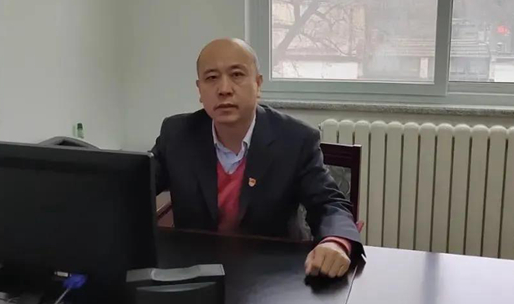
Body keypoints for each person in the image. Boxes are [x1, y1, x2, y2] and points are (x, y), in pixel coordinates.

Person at [152, 38, 363, 278]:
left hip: (273, 276)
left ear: (258, 84)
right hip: (196, 272)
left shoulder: (295, 139)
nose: (224, 89)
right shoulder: (177, 135)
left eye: (237, 75)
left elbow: (329, 203)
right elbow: (135, 186)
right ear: (200, 90)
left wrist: (335, 242)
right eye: (211, 78)